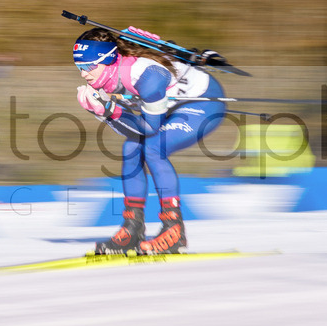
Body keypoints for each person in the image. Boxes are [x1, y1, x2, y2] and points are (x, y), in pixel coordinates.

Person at [73, 26, 227, 254]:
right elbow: (133, 133)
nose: (84, 74)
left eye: (89, 66)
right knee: (131, 149)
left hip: (202, 102)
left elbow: (147, 129)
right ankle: (133, 228)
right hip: (170, 107)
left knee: (154, 147)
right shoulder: (107, 76)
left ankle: (174, 230)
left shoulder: (147, 76)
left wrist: (108, 112)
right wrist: (105, 112)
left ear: (109, 60)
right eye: (79, 67)